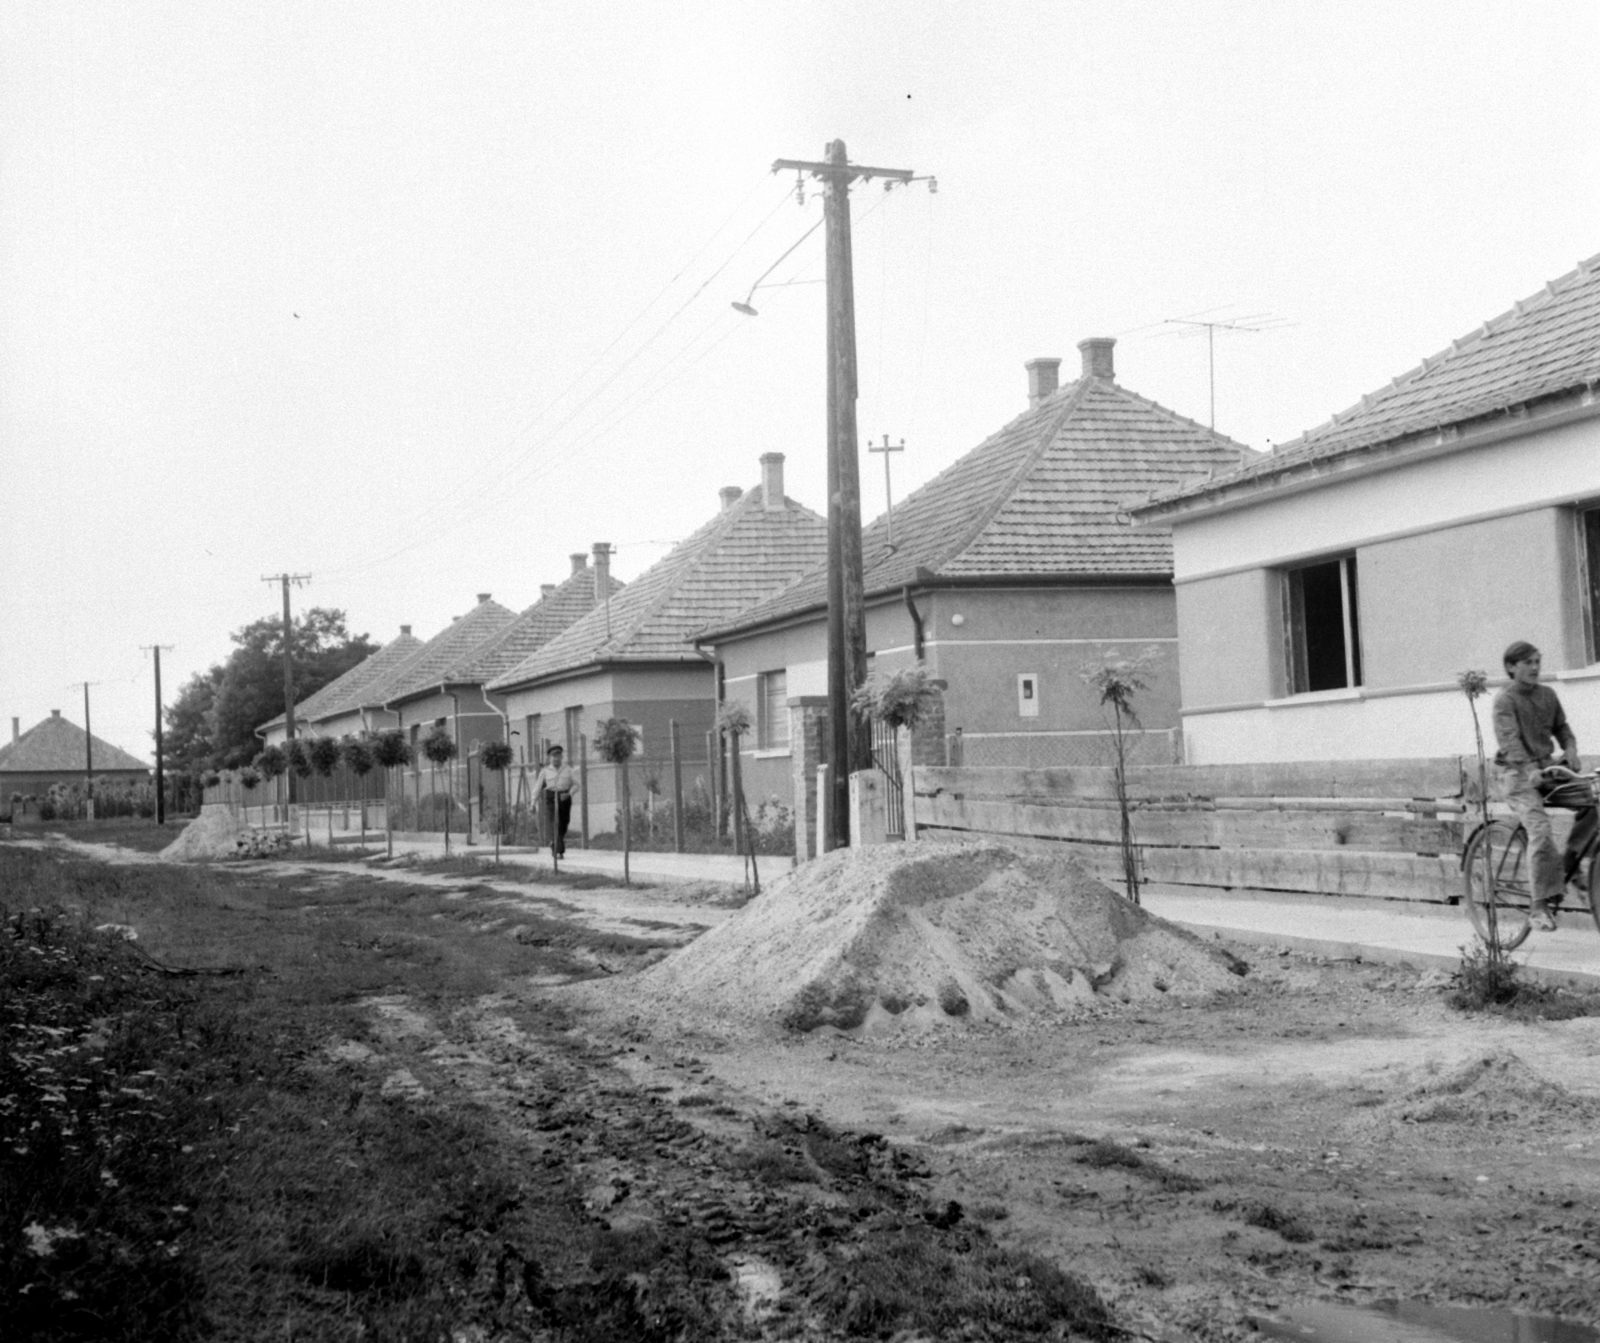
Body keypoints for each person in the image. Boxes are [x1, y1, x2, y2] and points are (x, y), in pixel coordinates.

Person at [1491, 640, 1598, 930]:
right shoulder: (1505, 700)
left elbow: (1563, 729)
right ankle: (1538, 906)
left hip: (1547, 770)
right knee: (1539, 828)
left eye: (1538, 661)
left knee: (1594, 801)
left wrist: (1571, 750)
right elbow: (1509, 740)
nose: (1536, 667)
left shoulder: (1548, 695)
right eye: (1528, 662)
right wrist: (1528, 768)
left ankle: (1571, 858)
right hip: (1515, 775)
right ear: (1511, 667)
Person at [534, 745, 578, 857]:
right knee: (553, 822)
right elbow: (538, 787)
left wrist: (569, 794)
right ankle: (558, 849)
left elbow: (577, 785)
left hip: (564, 798)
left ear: (561, 757)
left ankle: (554, 843)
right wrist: (532, 803)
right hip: (551, 798)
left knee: (564, 823)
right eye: (554, 756)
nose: (556, 758)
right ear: (550, 758)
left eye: (558, 756)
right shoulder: (545, 771)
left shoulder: (568, 770)